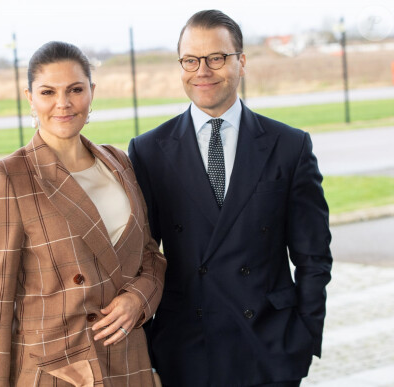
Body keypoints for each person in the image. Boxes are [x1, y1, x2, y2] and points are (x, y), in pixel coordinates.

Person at [128, 9, 332, 387]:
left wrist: (303, 338)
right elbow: (140, 258)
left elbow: (314, 257)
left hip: (268, 348)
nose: (202, 70)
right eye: (191, 60)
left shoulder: (289, 146)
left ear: (241, 62)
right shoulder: (148, 150)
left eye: (216, 58)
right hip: (184, 348)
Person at [0, 41, 166, 387]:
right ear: (29, 97)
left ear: (91, 92)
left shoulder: (118, 162)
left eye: (75, 90)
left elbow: (151, 256)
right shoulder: (9, 176)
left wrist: (138, 299)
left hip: (128, 359)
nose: (63, 104)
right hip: (58, 372)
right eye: (48, 92)